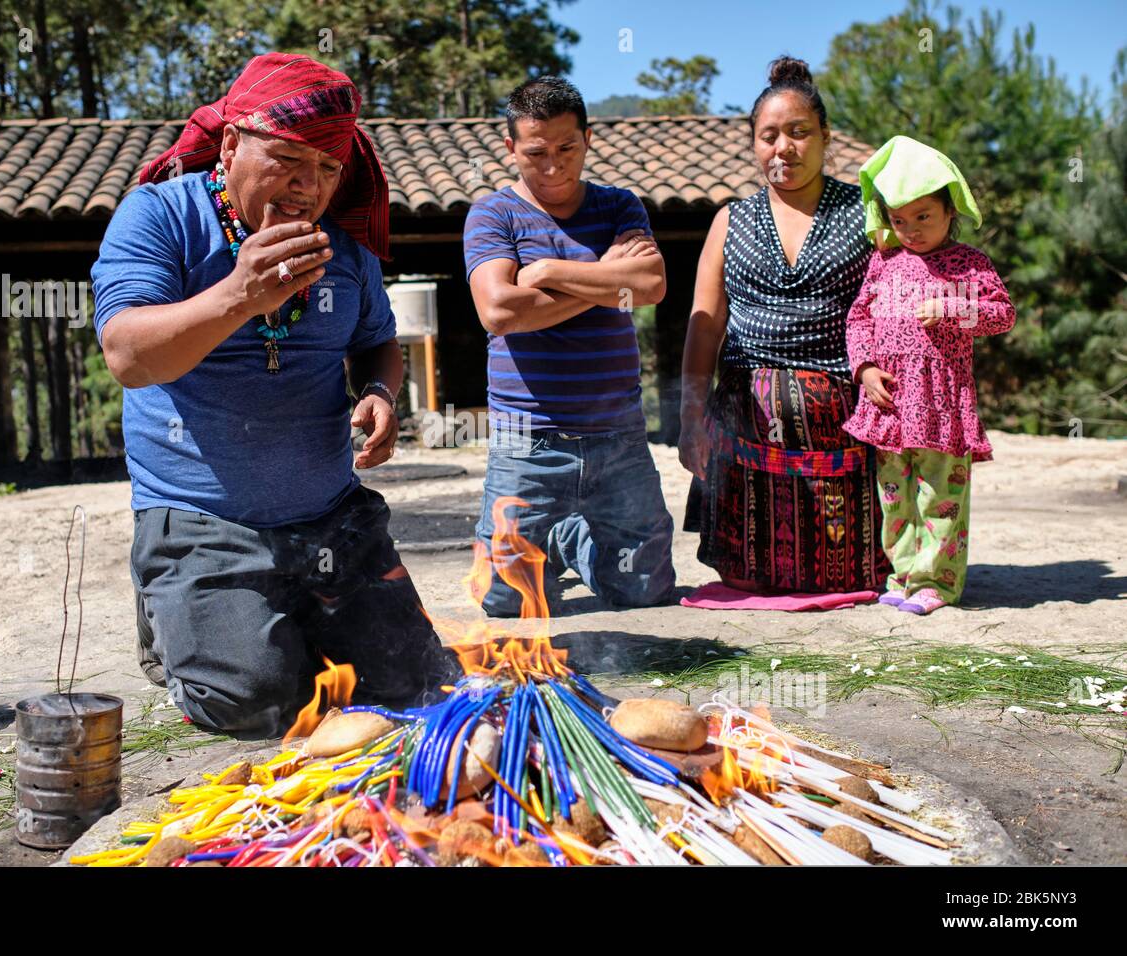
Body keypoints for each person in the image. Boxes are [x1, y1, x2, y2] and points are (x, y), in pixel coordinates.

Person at [91, 53, 456, 737]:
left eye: (326, 169)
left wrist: (379, 390)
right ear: (230, 145)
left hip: (332, 518)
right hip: (203, 522)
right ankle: (180, 615)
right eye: (288, 159)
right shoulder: (160, 217)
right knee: (255, 702)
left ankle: (274, 624)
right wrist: (239, 294)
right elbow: (127, 356)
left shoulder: (342, 252)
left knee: (417, 684)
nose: (307, 186)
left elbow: (378, 341)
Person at [463, 76, 676, 618]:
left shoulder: (620, 206)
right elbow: (500, 312)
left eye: (567, 148)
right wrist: (605, 279)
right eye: (536, 152)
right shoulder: (493, 214)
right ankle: (550, 538)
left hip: (619, 433)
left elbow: (650, 287)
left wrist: (553, 272)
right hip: (527, 437)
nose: (553, 165)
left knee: (643, 589)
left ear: (588, 138)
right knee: (504, 600)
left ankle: (564, 539)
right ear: (510, 147)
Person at [679, 56, 890, 594]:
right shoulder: (730, 219)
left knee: (850, 576)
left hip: (844, 427)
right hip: (745, 429)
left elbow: (891, 310)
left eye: (799, 133)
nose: (783, 148)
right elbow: (705, 327)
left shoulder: (867, 213)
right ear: (753, 144)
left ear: (825, 137)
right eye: (768, 135)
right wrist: (689, 418)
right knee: (751, 580)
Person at [844, 135, 1015, 615]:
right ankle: (902, 576)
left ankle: (938, 583)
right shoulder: (884, 263)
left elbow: (1002, 314)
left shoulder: (969, 264)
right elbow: (859, 319)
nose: (912, 230)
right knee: (896, 500)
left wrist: (955, 309)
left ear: (950, 210)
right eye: (899, 221)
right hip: (891, 404)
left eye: (924, 217)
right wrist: (866, 368)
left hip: (942, 405)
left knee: (940, 499)